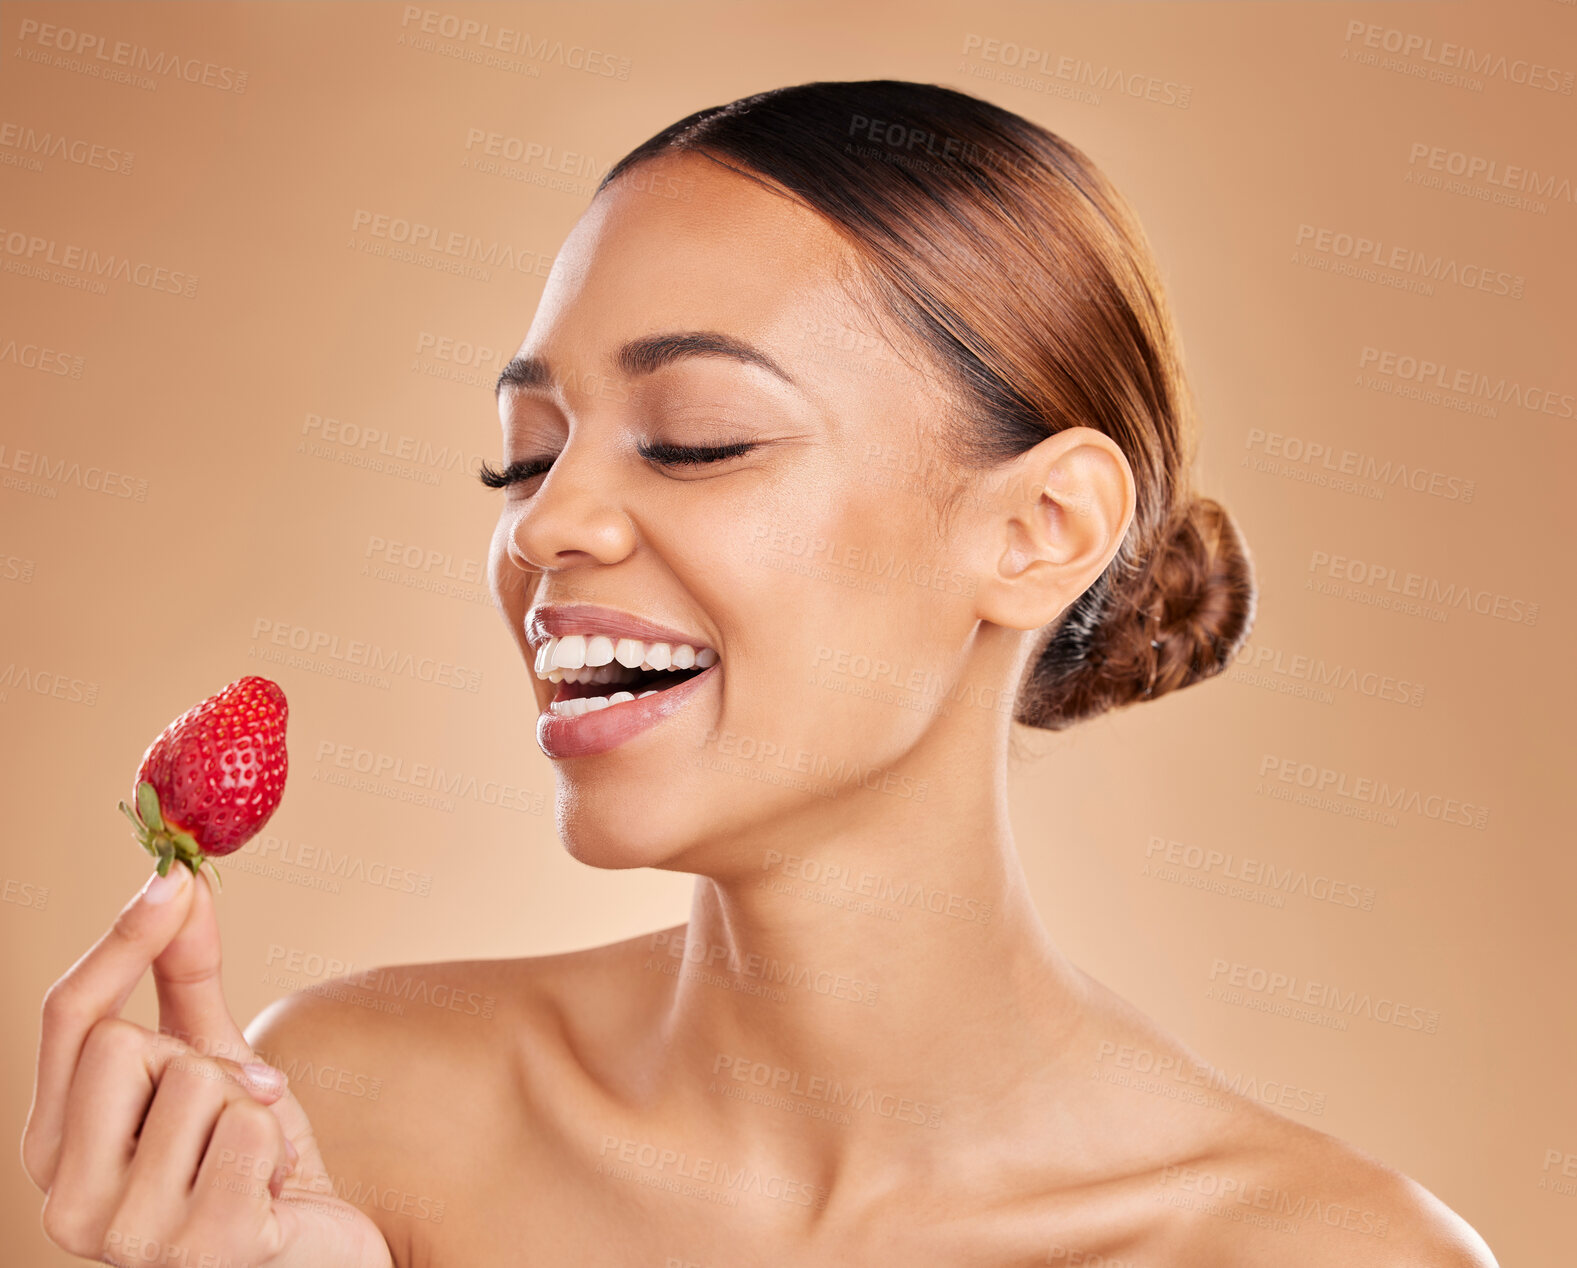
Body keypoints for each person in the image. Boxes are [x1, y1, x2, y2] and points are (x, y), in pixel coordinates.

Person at [24, 80, 1498, 1267]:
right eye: (524, 453)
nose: (546, 523)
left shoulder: (1319, 1252)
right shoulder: (349, 1114)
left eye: (699, 436)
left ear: (1039, 531)